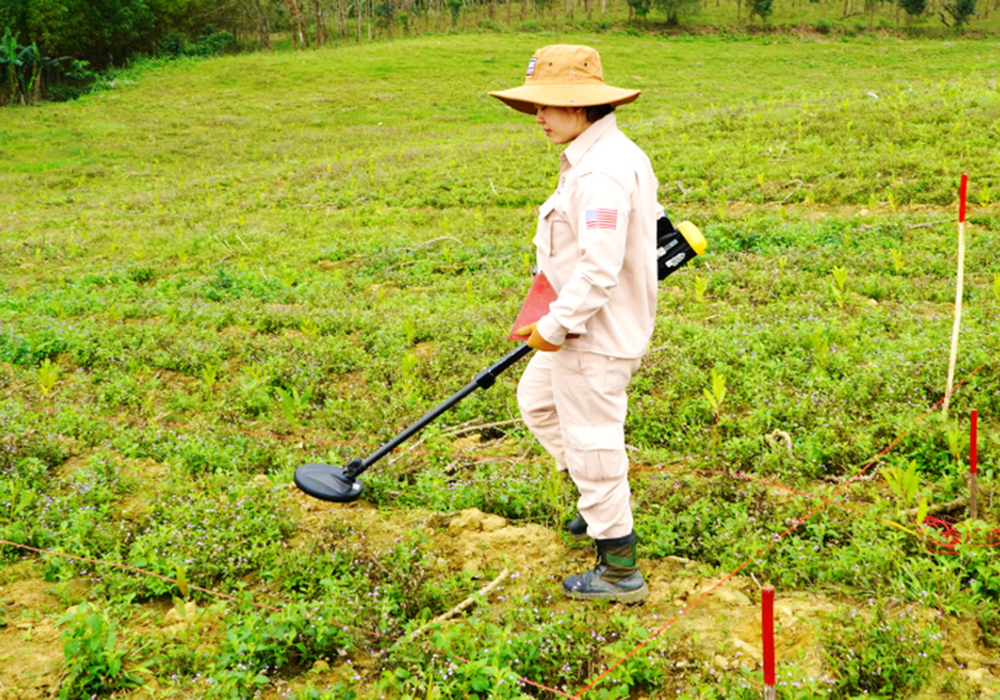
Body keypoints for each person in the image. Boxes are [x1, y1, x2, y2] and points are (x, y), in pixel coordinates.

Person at [489, 45, 659, 603]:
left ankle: (618, 568)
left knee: (592, 441)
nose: (536, 116)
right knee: (536, 400)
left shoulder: (603, 173)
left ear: (583, 108)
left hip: (593, 334)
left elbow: (600, 267)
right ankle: (597, 500)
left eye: (547, 106)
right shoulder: (597, 158)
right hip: (583, 325)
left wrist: (555, 325)